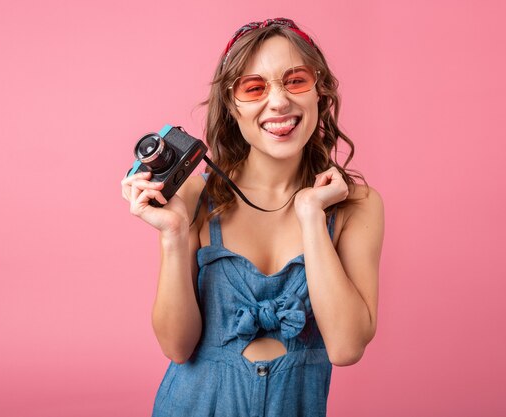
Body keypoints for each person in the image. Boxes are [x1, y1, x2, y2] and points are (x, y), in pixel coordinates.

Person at [121, 18, 384, 417]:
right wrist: (173, 235)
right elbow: (177, 347)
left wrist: (312, 215)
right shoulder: (194, 197)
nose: (277, 102)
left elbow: (347, 347)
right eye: (254, 87)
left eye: (295, 80)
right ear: (232, 105)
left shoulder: (357, 204)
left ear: (320, 91)